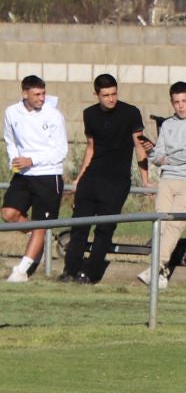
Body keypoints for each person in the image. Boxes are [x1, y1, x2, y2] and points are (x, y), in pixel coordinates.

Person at [61, 73, 149, 283]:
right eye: (106, 95)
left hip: (117, 181)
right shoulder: (89, 114)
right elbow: (90, 148)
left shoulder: (130, 113)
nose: (111, 98)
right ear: (96, 94)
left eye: (114, 94)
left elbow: (139, 146)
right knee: (80, 226)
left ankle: (89, 274)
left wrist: (145, 179)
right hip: (92, 178)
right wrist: (79, 179)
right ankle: (70, 270)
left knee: (105, 229)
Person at [134, 82, 186, 290]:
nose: (181, 106)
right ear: (171, 103)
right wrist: (151, 152)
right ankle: (161, 273)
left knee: (175, 222)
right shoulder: (168, 125)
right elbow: (157, 157)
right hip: (168, 178)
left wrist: (167, 158)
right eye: (176, 102)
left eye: (184, 101)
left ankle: (155, 266)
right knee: (160, 223)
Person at [4, 75, 69, 282]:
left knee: (41, 225)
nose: (41, 98)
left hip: (48, 176)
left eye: (43, 93)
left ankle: (21, 271)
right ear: (25, 94)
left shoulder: (53, 115)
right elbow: (9, 140)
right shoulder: (11, 112)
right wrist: (14, 161)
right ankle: (38, 235)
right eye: (37, 94)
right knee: (8, 214)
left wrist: (32, 160)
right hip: (23, 175)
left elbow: (61, 151)